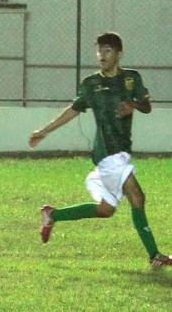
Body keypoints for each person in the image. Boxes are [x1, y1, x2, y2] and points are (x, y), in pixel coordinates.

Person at [29, 32, 172, 267]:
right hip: (107, 153)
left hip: (122, 152)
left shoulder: (132, 79)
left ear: (118, 54)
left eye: (107, 51)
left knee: (106, 210)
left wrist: (132, 105)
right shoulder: (91, 84)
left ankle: (52, 215)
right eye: (99, 51)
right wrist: (45, 130)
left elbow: (146, 106)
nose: (101, 56)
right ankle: (155, 255)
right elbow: (73, 109)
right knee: (137, 196)